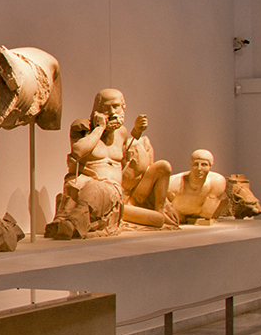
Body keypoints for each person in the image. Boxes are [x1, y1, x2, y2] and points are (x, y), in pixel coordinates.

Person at [45, 88, 176, 239]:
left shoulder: (122, 133)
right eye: (106, 108)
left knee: (158, 220)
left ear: (123, 108)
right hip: (90, 186)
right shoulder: (84, 127)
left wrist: (137, 132)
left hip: (114, 193)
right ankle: (71, 223)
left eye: (116, 106)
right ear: (96, 109)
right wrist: (100, 128)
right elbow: (78, 151)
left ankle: (71, 223)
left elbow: (127, 169)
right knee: (94, 188)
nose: (112, 112)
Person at [169, 149, 226, 225]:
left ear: (210, 166)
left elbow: (206, 213)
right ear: (191, 164)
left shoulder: (217, 181)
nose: (199, 168)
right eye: (196, 164)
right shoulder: (174, 182)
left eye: (204, 165)